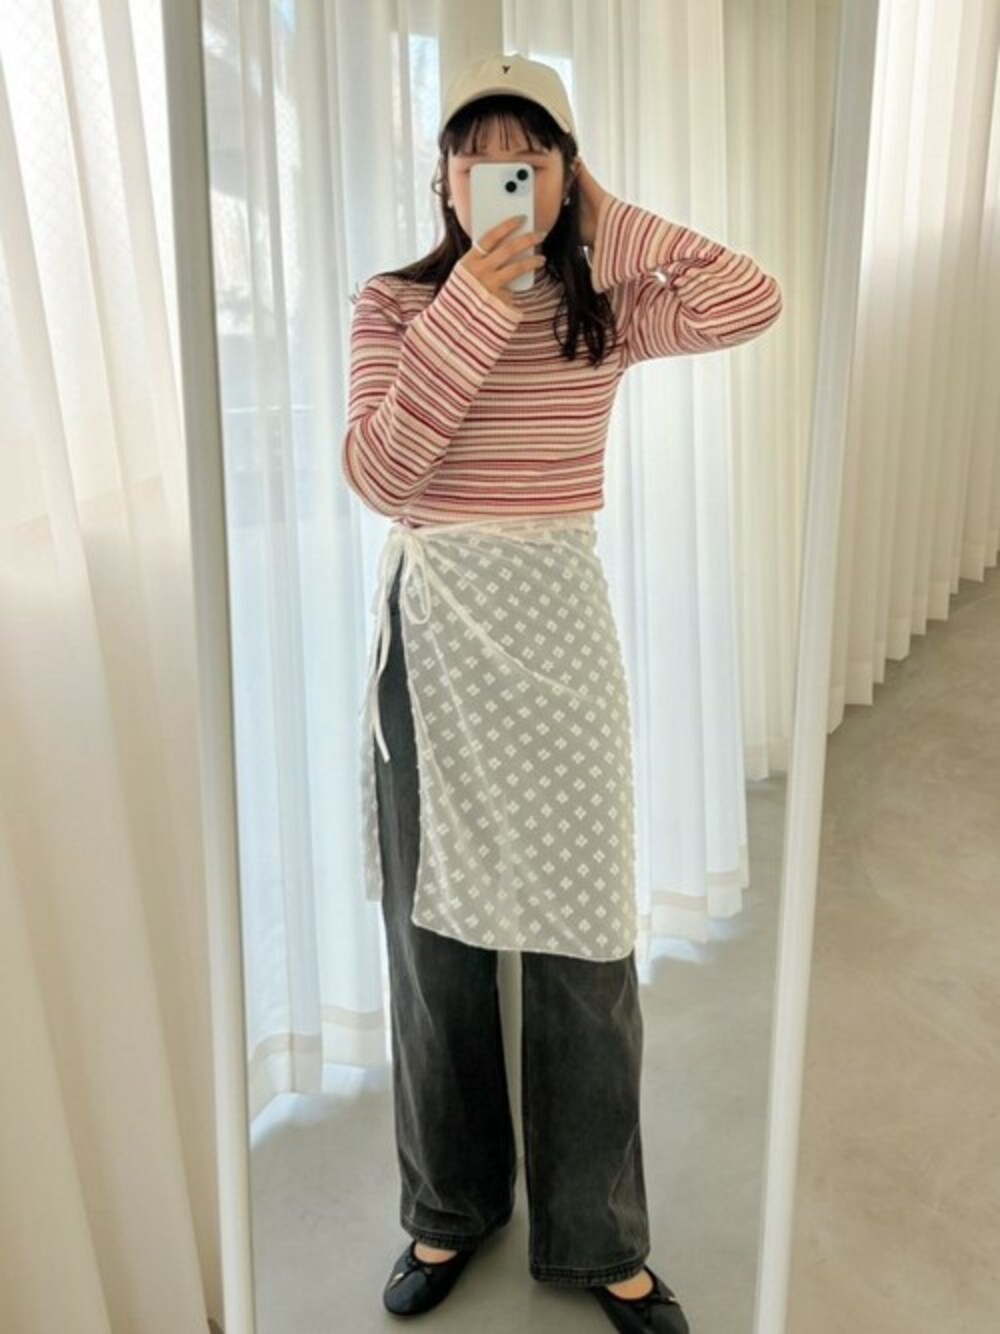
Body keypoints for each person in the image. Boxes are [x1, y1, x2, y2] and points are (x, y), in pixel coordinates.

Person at [342, 52, 782, 1332]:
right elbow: (382, 472)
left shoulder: (603, 310)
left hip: (559, 636)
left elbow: (749, 297)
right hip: (435, 641)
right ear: (440, 176)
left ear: (566, 173)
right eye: (475, 159)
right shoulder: (393, 304)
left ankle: (599, 1234)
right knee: (435, 948)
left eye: (527, 161)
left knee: (586, 946)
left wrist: (603, 220)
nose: (499, 181)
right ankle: (448, 1203)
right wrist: (473, 306)